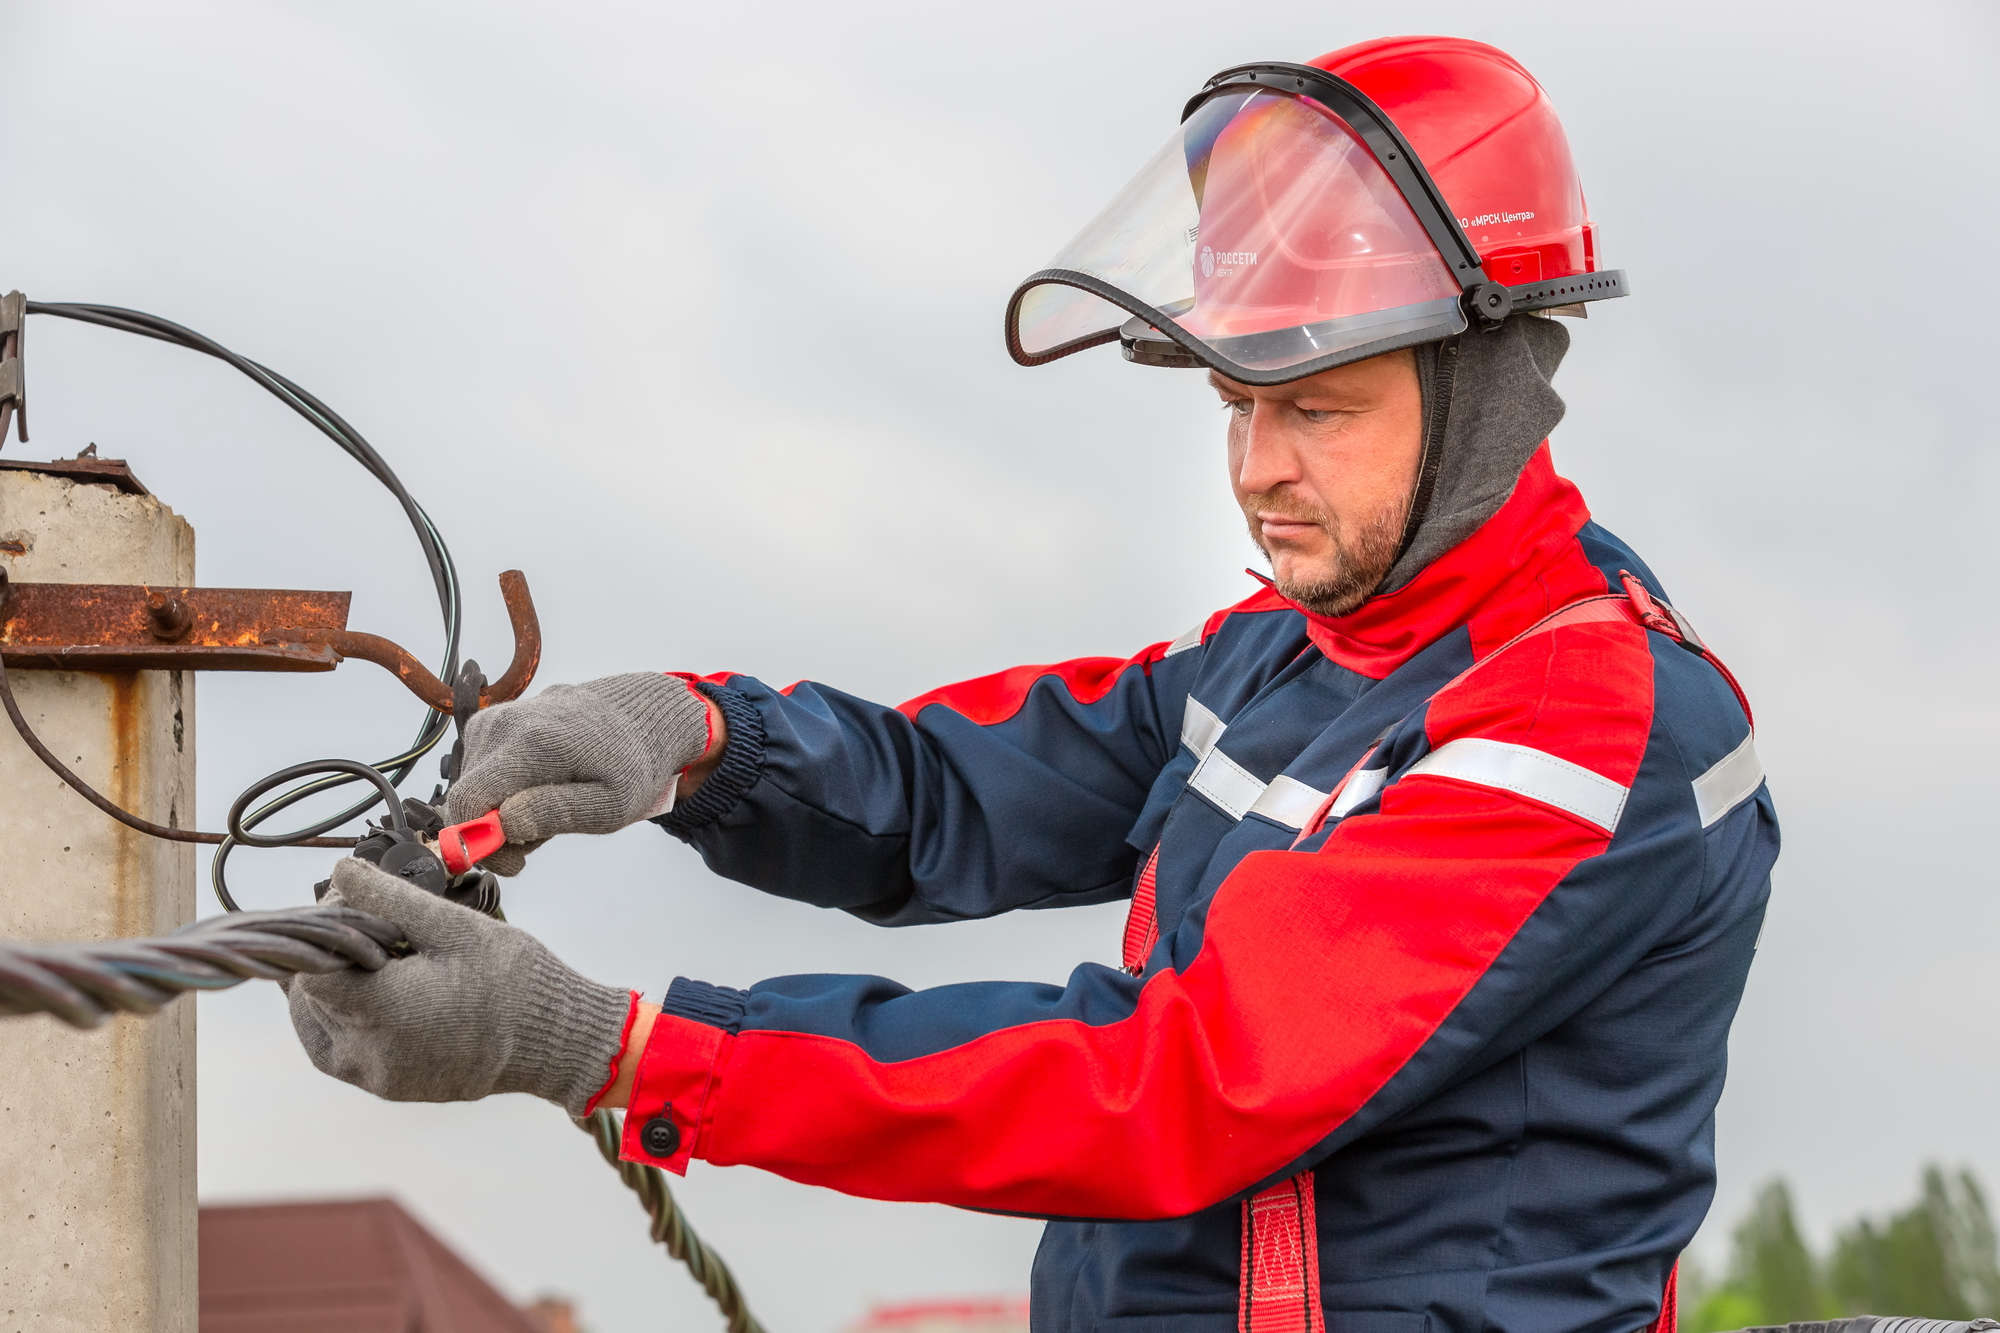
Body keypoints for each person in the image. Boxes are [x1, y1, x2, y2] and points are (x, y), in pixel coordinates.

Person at [289, 36, 1777, 1333]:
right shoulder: (1285, 653)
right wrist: (696, 738)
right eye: (1235, 405)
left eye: (1315, 407)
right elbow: (961, 791)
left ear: (1490, 386)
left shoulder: (1591, 725)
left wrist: (613, 1046)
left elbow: (1177, 1077)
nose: (1257, 471)